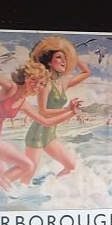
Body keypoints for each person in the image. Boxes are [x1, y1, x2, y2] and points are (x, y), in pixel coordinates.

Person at [0, 34, 81, 190]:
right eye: (34, 80)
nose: (37, 86)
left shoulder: (24, 104)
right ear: (26, 77)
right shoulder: (10, 89)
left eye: (42, 84)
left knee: (7, 187)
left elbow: (45, 121)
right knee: (27, 165)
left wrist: (71, 112)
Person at [24, 36, 91, 180]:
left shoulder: (63, 83)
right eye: (59, 57)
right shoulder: (45, 84)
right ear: (49, 61)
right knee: (26, 176)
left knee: (71, 167)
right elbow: (43, 112)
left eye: (65, 58)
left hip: (49, 135)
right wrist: (68, 110)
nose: (64, 61)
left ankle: (50, 191)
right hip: (37, 134)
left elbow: (86, 73)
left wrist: (73, 56)